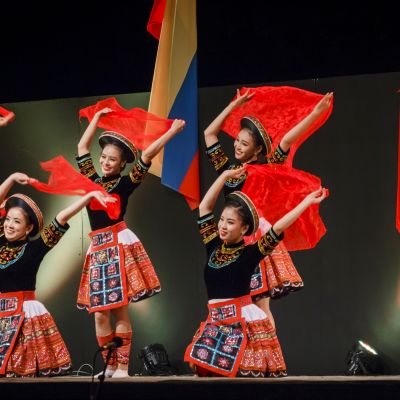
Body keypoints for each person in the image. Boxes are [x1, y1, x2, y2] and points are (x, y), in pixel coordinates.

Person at [204, 89, 333, 326]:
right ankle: (245, 355)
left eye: (244, 144)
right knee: (236, 300)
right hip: (232, 241)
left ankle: (270, 357)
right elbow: (209, 133)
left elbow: (286, 141)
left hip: (257, 239)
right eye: (237, 140)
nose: (237, 146)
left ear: (258, 150)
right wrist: (235, 106)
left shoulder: (269, 167)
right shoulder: (228, 171)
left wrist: (315, 113)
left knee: (260, 302)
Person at [184, 167, 327, 377]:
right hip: (216, 322)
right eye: (222, 220)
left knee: (241, 377)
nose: (222, 226)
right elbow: (205, 207)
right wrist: (224, 176)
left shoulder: (250, 254)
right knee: (200, 367)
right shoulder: (213, 245)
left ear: (244, 229)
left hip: (241, 324)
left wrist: (306, 203)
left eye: (230, 222)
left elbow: (277, 228)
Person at [76, 107, 185, 378]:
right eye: (104, 157)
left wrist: (171, 133)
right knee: (100, 314)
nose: (106, 162)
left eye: (112, 159)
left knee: (119, 309)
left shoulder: (125, 184)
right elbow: (81, 146)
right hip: (97, 248)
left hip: (117, 245)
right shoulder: (92, 182)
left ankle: (123, 367)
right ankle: (109, 365)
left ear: (122, 163)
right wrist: (98, 119)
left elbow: (147, 156)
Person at [0, 172, 113, 377]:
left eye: (16, 222)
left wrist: (87, 198)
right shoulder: (1, 241)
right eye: (7, 219)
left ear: (29, 228)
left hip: (24, 314)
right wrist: (11, 179)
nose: (9, 225)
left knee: (20, 375)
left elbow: (61, 218)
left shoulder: (35, 248)